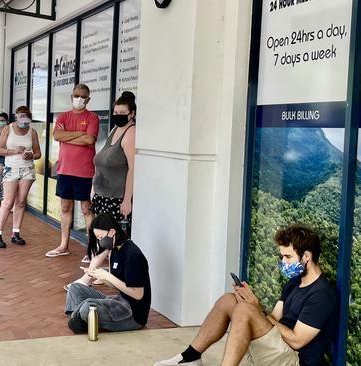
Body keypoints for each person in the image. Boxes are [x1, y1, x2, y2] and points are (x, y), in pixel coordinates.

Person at [155, 224, 337, 366]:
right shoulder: (294, 283)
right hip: (279, 345)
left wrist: (256, 309)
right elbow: (275, 318)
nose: (283, 262)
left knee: (244, 309)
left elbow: (297, 341)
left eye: (288, 257)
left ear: (306, 256)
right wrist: (253, 304)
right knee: (230, 300)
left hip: (294, 359)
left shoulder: (321, 295)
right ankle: (190, 357)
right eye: (282, 256)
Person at [67, 91, 137, 290]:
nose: (117, 115)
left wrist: (127, 199)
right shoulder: (115, 129)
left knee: (106, 239)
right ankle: (103, 274)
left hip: (116, 197)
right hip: (102, 194)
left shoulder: (130, 132)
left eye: (122, 112)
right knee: (104, 240)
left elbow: (133, 169)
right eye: (115, 111)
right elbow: (100, 163)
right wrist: (93, 188)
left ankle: (86, 278)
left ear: (131, 114)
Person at [65, 214, 151, 333]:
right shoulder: (115, 250)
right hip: (119, 301)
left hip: (132, 313)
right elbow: (115, 284)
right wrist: (98, 275)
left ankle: (81, 317)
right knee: (75, 288)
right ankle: (82, 318)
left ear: (111, 232)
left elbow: (138, 294)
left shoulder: (132, 255)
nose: (100, 241)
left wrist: (107, 276)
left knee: (88, 308)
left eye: (100, 237)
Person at [45, 84, 99, 258]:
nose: (79, 99)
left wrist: (69, 135)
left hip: (85, 171)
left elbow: (89, 139)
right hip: (65, 170)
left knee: (86, 209)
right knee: (65, 207)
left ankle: (91, 250)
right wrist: (80, 135)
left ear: (88, 99)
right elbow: (57, 136)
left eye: (83, 97)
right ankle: (63, 246)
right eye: (76, 96)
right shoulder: (63, 117)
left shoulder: (92, 117)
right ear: (71, 97)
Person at [0, 106, 42, 248]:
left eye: (26, 118)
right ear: (16, 116)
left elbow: (38, 153)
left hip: (27, 169)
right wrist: (14, 151)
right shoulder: (8, 129)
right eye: (21, 117)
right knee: (7, 203)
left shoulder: (32, 132)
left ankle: (16, 232)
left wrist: (31, 155)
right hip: (11, 169)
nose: (23, 121)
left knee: (20, 202)